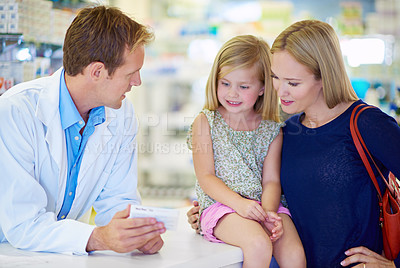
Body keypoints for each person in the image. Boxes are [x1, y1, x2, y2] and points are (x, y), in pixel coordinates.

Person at [188, 20, 400, 268]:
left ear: (324, 77)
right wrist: (212, 210)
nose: (280, 91)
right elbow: (267, 193)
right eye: (276, 78)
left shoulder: (366, 124)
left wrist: (393, 265)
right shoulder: (285, 131)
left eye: (294, 83)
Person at [0, 5, 166, 255]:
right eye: (131, 73)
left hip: (60, 256)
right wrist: (97, 238)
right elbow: (24, 224)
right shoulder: (16, 112)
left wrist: (135, 232)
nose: (137, 82)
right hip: (9, 252)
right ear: (97, 71)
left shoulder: (121, 114)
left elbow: (118, 200)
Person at [186, 35, 306, 268]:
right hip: (222, 207)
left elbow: (271, 181)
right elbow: (206, 177)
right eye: (225, 83)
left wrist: (268, 214)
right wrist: (241, 205)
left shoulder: (272, 130)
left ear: (262, 88)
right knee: (258, 244)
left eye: (243, 87)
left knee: (294, 254)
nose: (232, 93)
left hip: (264, 205)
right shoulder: (206, 122)